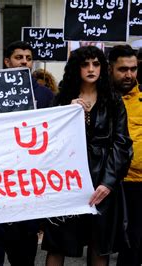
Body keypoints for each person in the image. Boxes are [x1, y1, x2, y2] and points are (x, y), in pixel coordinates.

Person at [43, 45, 132, 266]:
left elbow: (122, 144)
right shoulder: (62, 98)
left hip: (102, 179)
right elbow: (49, 141)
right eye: (85, 64)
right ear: (76, 68)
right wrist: (66, 113)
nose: (91, 69)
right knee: (57, 244)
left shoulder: (113, 100)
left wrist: (108, 183)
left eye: (96, 64)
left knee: (100, 247)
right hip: (67, 180)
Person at [0, 41, 53, 266]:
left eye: (28, 58)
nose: (24, 61)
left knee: (25, 241)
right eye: (19, 57)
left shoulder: (45, 95)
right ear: (7, 61)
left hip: (30, 177)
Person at [107, 45, 141, 266]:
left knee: (135, 243)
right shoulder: (99, 99)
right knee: (101, 243)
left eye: (133, 69)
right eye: (123, 69)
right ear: (110, 69)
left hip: (138, 184)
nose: (129, 74)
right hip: (107, 183)